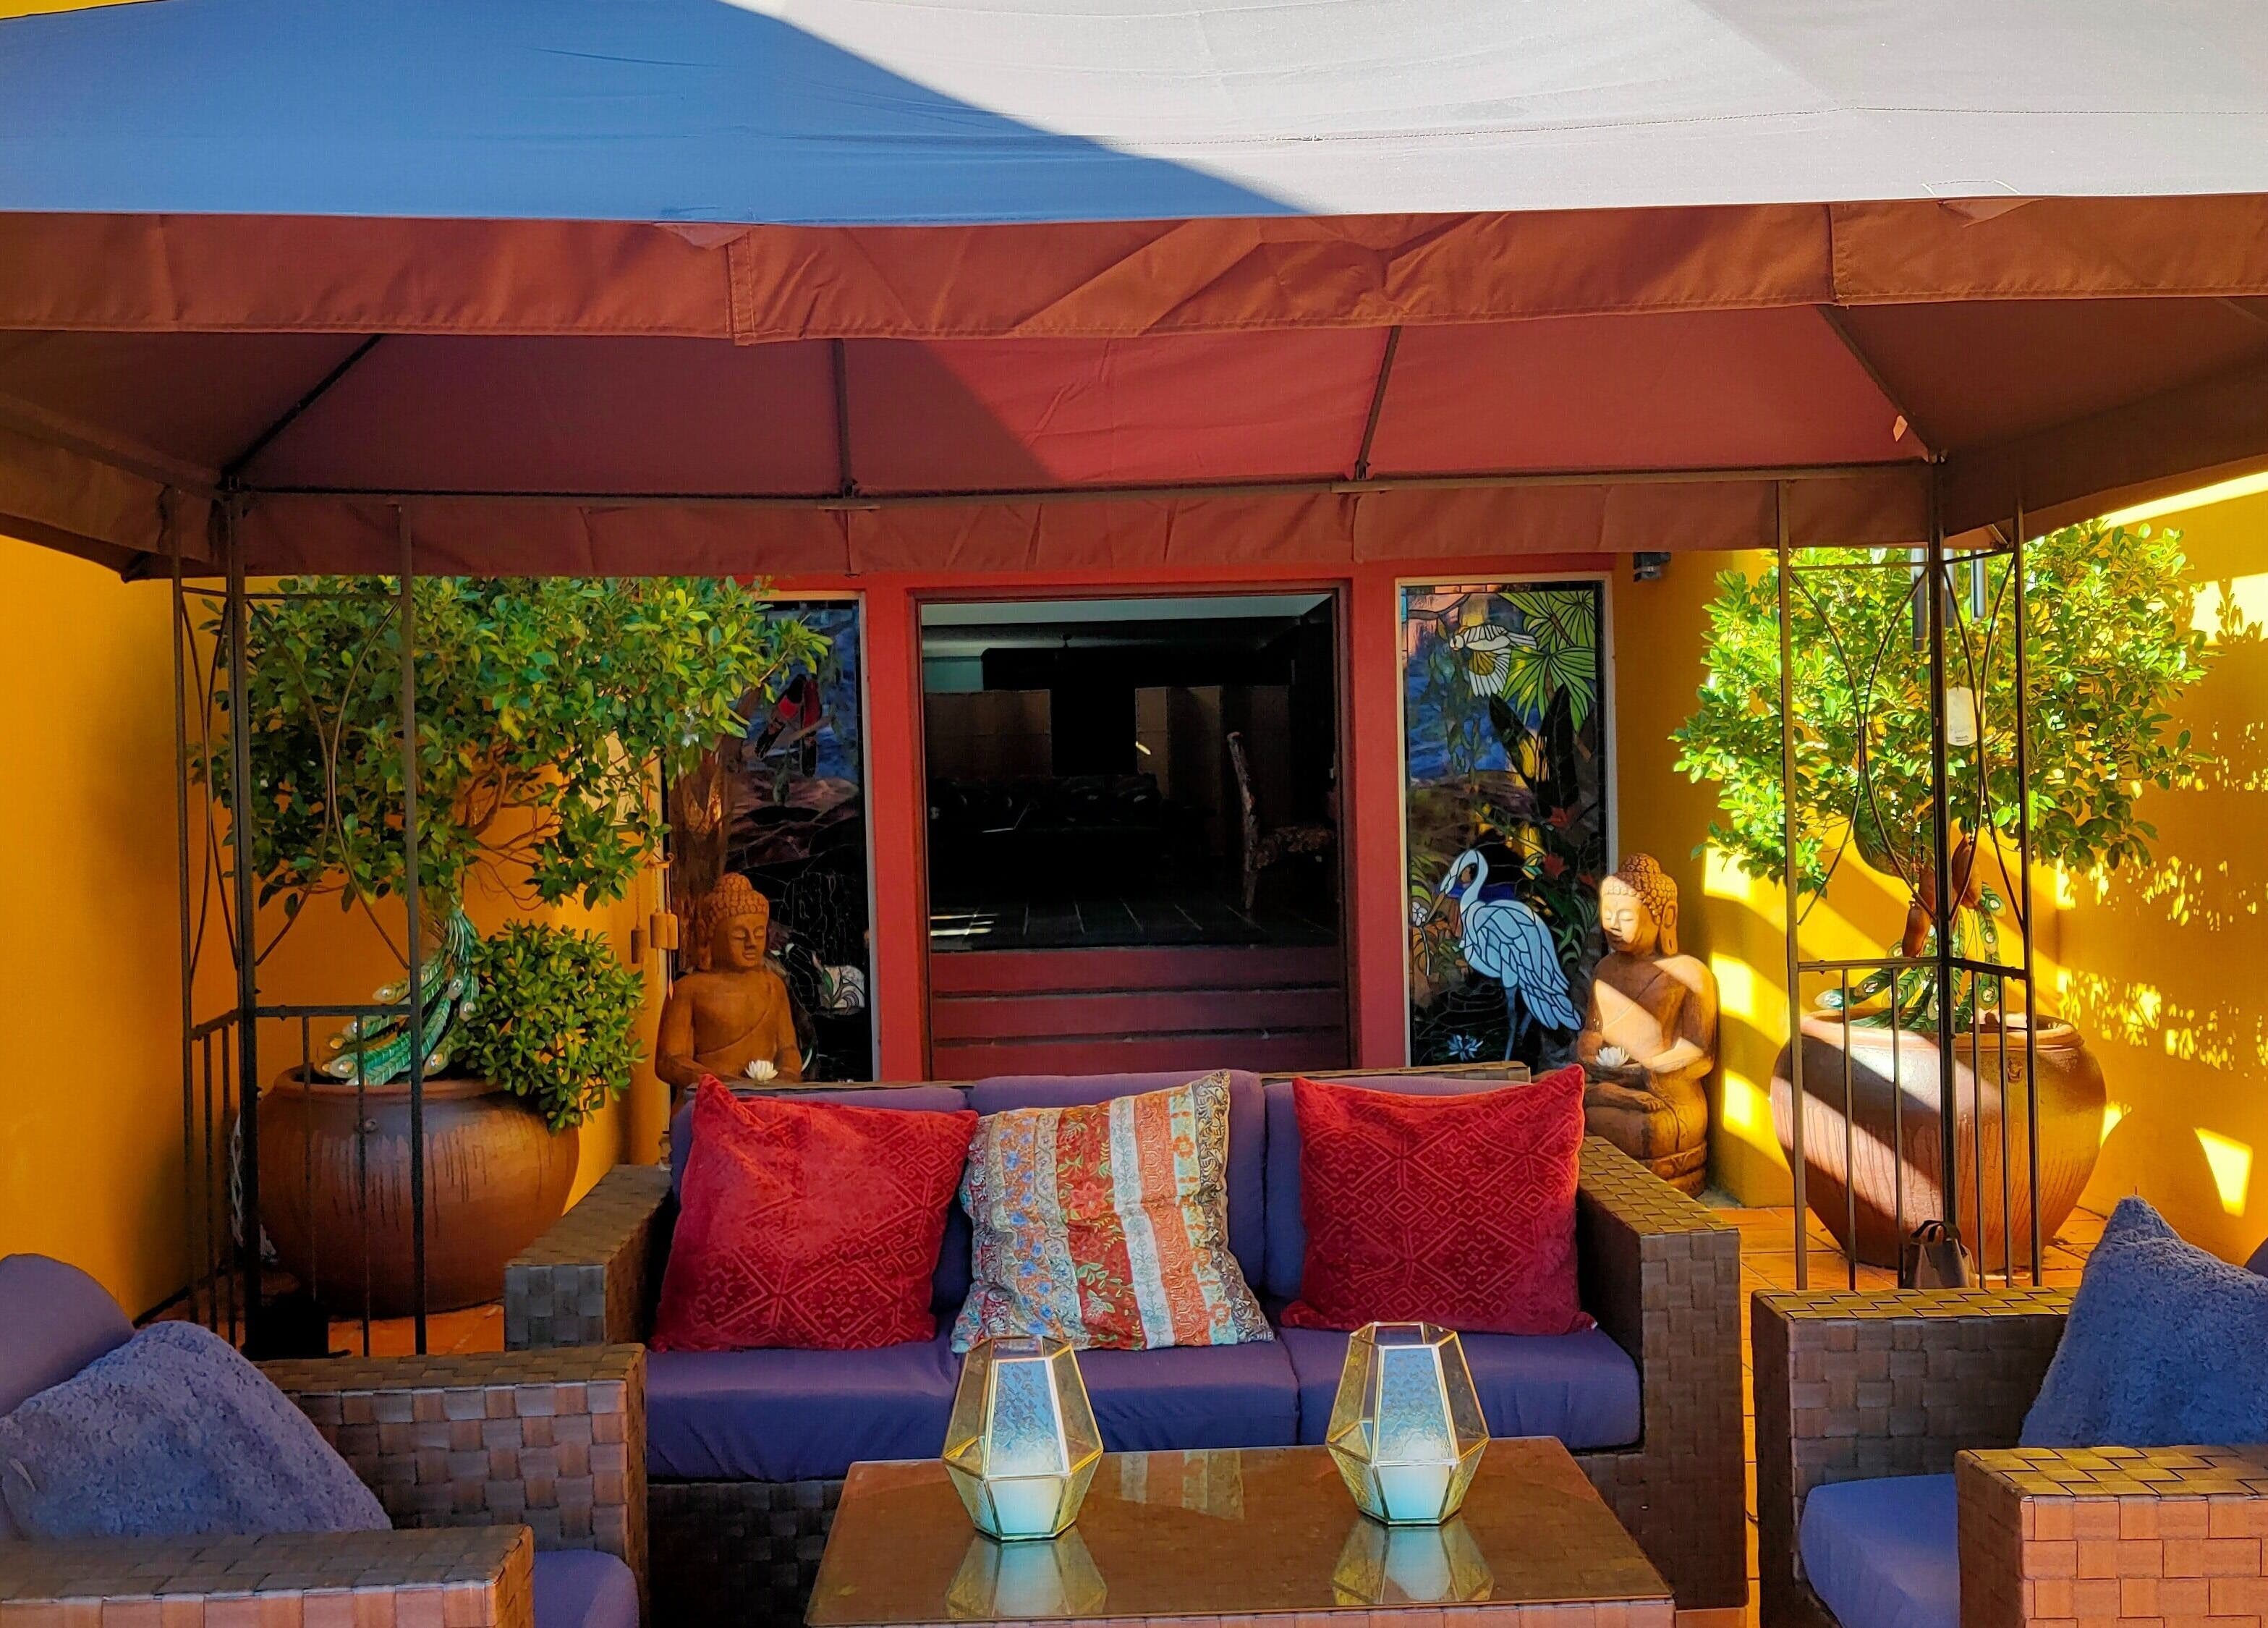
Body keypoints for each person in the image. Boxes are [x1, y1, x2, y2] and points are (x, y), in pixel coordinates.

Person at [655, 873, 804, 1091]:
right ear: (708, 935)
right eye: (739, 936)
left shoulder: (773, 985)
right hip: (711, 1099)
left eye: (759, 934)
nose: (751, 943)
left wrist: (785, 1078)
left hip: (765, 1098)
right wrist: (724, 1084)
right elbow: (669, 1060)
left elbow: (788, 1049)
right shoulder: (690, 989)